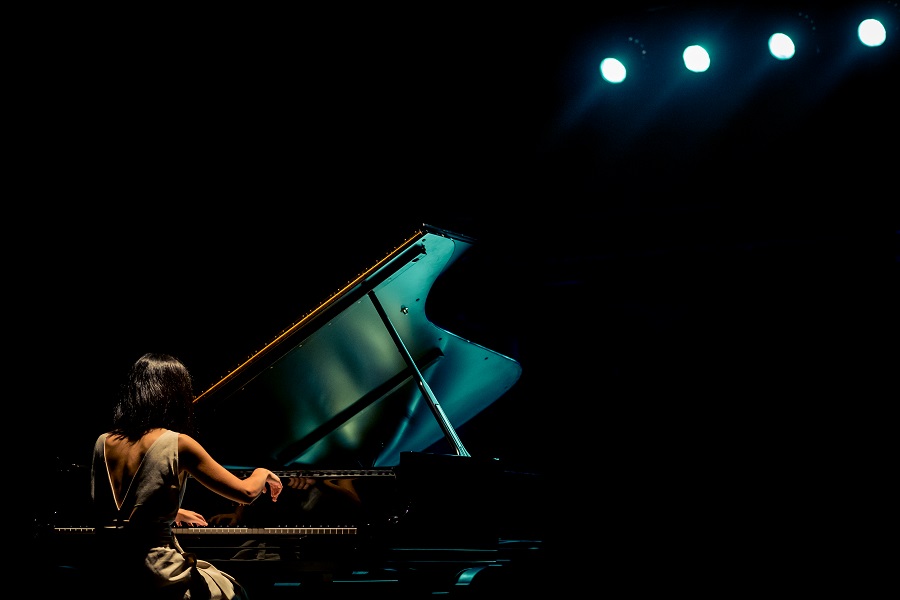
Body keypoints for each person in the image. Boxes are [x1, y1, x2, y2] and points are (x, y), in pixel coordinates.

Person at [90, 352, 285, 599]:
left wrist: (170, 512)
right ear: (175, 395)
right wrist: (262, 472)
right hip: (157, 573)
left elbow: (116, 508)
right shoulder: (178, 443)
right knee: (234, 592)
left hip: (109, 569)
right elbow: (246, 493)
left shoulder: (103, 442)